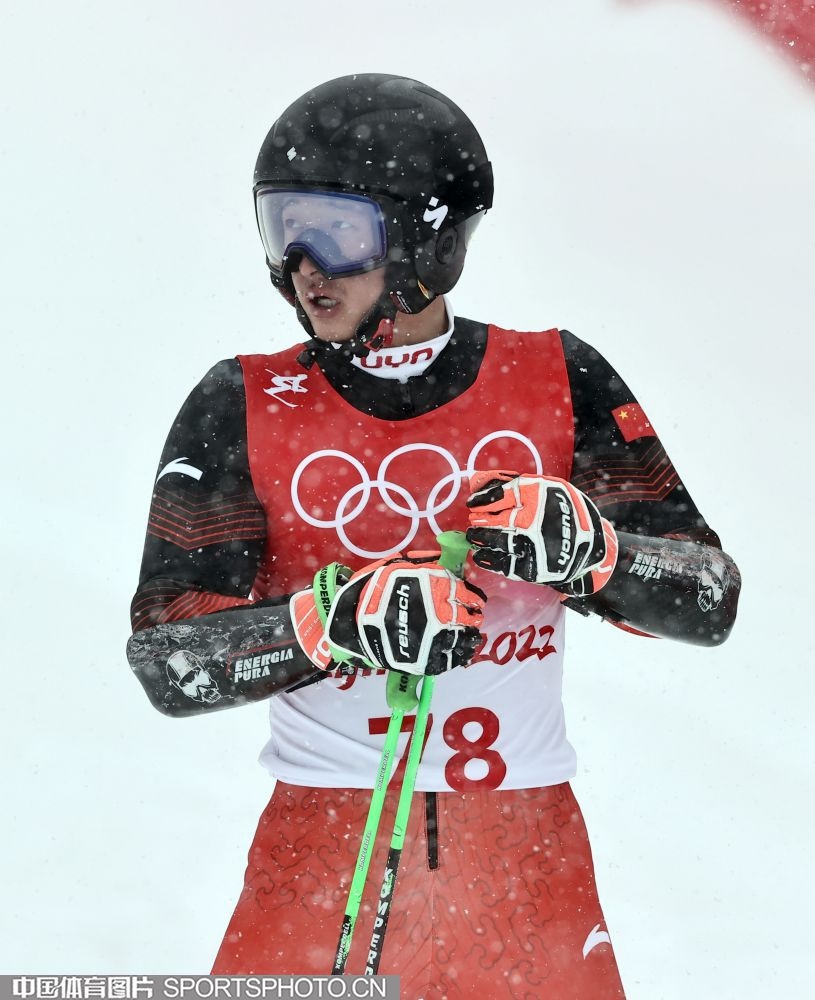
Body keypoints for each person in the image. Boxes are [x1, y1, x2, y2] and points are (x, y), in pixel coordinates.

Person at [127, 73, 740, 999]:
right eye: (283, 228)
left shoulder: (556, 376)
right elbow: (168, 660)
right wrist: (330, 623)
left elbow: (708, 598)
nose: (304, 265)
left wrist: (598, 557)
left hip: (521, 858)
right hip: (320, 853)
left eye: (337, 232)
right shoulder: (242, 401)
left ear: (427, 240)